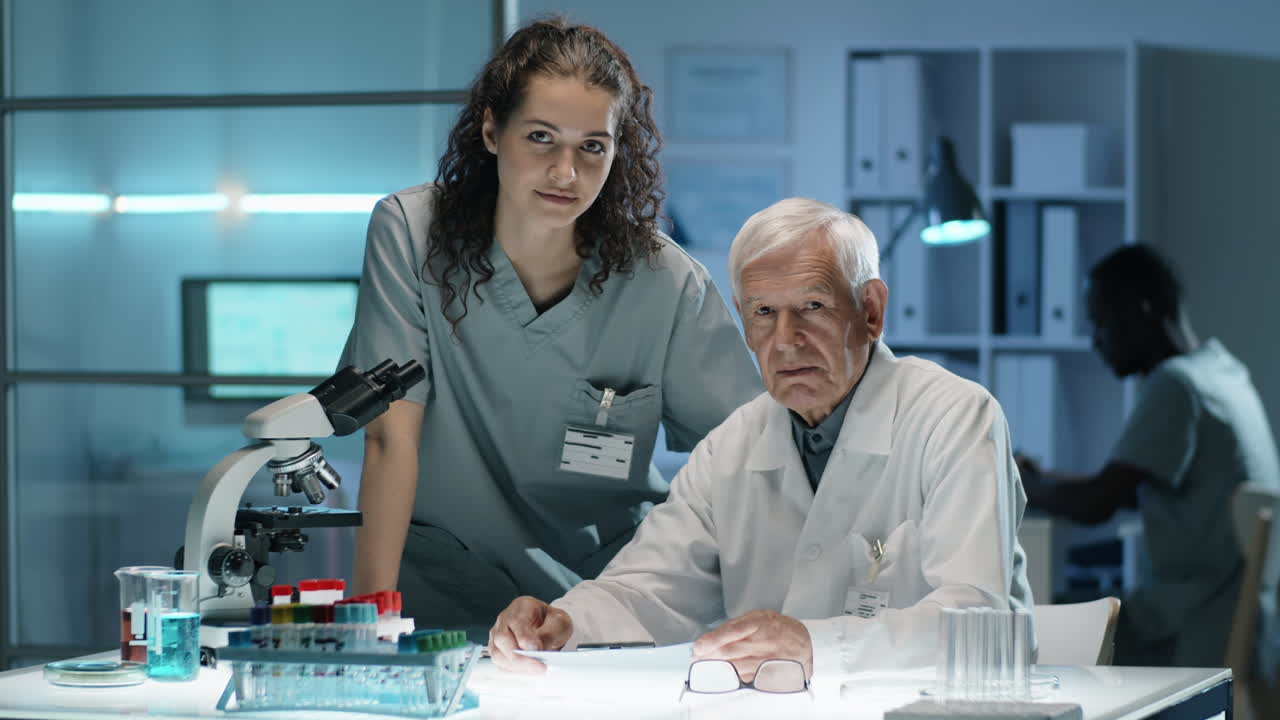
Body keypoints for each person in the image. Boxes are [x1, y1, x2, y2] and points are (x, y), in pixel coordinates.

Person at [488, 198, 1034, 682]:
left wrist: (814, 645)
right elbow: (648, 588)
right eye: (764, 313)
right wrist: (564, 622)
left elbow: (976, 616)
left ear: (870, 311)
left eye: (813, 308)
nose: (785, 340)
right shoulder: (731, 446)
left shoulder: (954, 418)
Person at [338, 18, 762, 636]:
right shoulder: (411, 234)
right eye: (541, 138)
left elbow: (748, 455)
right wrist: (368, 628)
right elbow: (388, 440)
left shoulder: (663, 281)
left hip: (604, 605)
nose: (567, 172)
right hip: (444, 597)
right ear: (491, 130)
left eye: (593, 146)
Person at [1017, 244, 1280, 667]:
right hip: (1243, 626)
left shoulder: (1176, 386)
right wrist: (1045, 478)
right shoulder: (1223, 373)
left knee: (1026, 631)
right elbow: (1123, 488)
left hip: (1189, 626)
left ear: (1141, 311)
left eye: (1102, 323)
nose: (1096, 341)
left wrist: (1019, 487)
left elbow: (1097, 504)